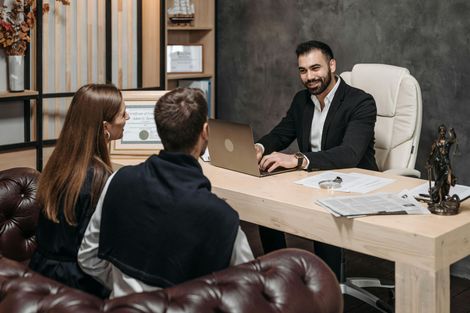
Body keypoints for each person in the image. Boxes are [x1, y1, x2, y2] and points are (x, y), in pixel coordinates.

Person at [78, 87, 254, 298]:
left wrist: (125, 288)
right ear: (205, 132)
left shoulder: (118, 180)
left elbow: (87, 257)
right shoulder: (222, 218)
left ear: (160, 132)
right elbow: (248, 292)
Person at [255, 40, 378, 279]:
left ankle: (325, 288)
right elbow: (282, 133)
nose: (309, 77)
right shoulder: (302, 100)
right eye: (303, 70)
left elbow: (350, 153)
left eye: (315, 68)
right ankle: (281, 276)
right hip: (312, 180)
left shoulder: (360, 102)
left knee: (324, 212)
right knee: (266, 205)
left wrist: (298, 160)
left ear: (332, 65)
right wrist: (258, 147)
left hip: (352, 183)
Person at [29, 84, 129, 298]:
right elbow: (95, 253)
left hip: (39, 273)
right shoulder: (100, 177)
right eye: (122, 114)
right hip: (78, 285)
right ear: (105, 127)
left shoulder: (58, 162)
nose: (127, 118)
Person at [426, 125, 457, 204]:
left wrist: (452, 133)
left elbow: (453, 139)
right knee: (438, 180)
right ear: (439, 132)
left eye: (444, 131)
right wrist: (428, 162)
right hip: (437, 163)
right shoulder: (436, 142)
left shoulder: (447, 142)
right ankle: (439, 197)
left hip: (446, 163)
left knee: (447, 178)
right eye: (441, 131)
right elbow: (432, 153)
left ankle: (437, 193)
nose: (442, 132)